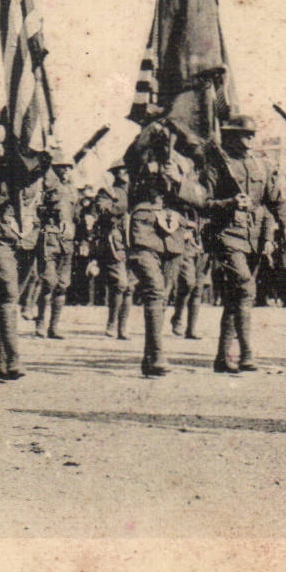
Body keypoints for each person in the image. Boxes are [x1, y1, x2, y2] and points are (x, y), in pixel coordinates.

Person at [200, 114, 286, 373]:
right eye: (245, 134)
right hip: (227, 234)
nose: (252, 138)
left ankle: (222, 357)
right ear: (230, 136)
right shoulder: (216, 167)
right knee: (244, 287)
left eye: (253, 134)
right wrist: (229, 203)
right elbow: (202, 203)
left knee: (236, 297)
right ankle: (246, 353)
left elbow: (276, 200)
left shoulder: (261, 166)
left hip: (252, 237)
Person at [121, 111, 209, 377]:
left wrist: (180, 181)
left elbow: (200, 197)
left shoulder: (186, 165)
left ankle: (150, 357)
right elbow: (133, 152)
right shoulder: (141, 159)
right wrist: (155, 121)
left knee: (164, 294)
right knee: (155, 291)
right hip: (145, 227)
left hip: (174, 232)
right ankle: (158, 354)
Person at [0, 132, 50, 380]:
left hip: (27, 238)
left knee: (10, 298)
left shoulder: (39, 159)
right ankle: (14, 359)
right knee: (8, 291)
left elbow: (49, 191)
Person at [35, 147, 76, 339]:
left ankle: (54, 326)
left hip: (67, 241)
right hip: (50, 238)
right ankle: (40, 322)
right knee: (49, 282)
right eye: (62, 168)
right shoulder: (48, 187)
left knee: (63, 284)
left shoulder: (72, 191)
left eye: (69, 168)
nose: (66, 171)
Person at [94, 163, 134, 339]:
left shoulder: (137, 192)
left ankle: (122, 327)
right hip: (115, 241)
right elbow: (102, 209)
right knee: (120, 284)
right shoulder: (108, 192)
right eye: (120, 170)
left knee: (130, 287)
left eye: (127, 169)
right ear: (116, 173)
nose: (124, 173)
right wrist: (118, 206)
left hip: (135, 242)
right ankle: (112, 323)